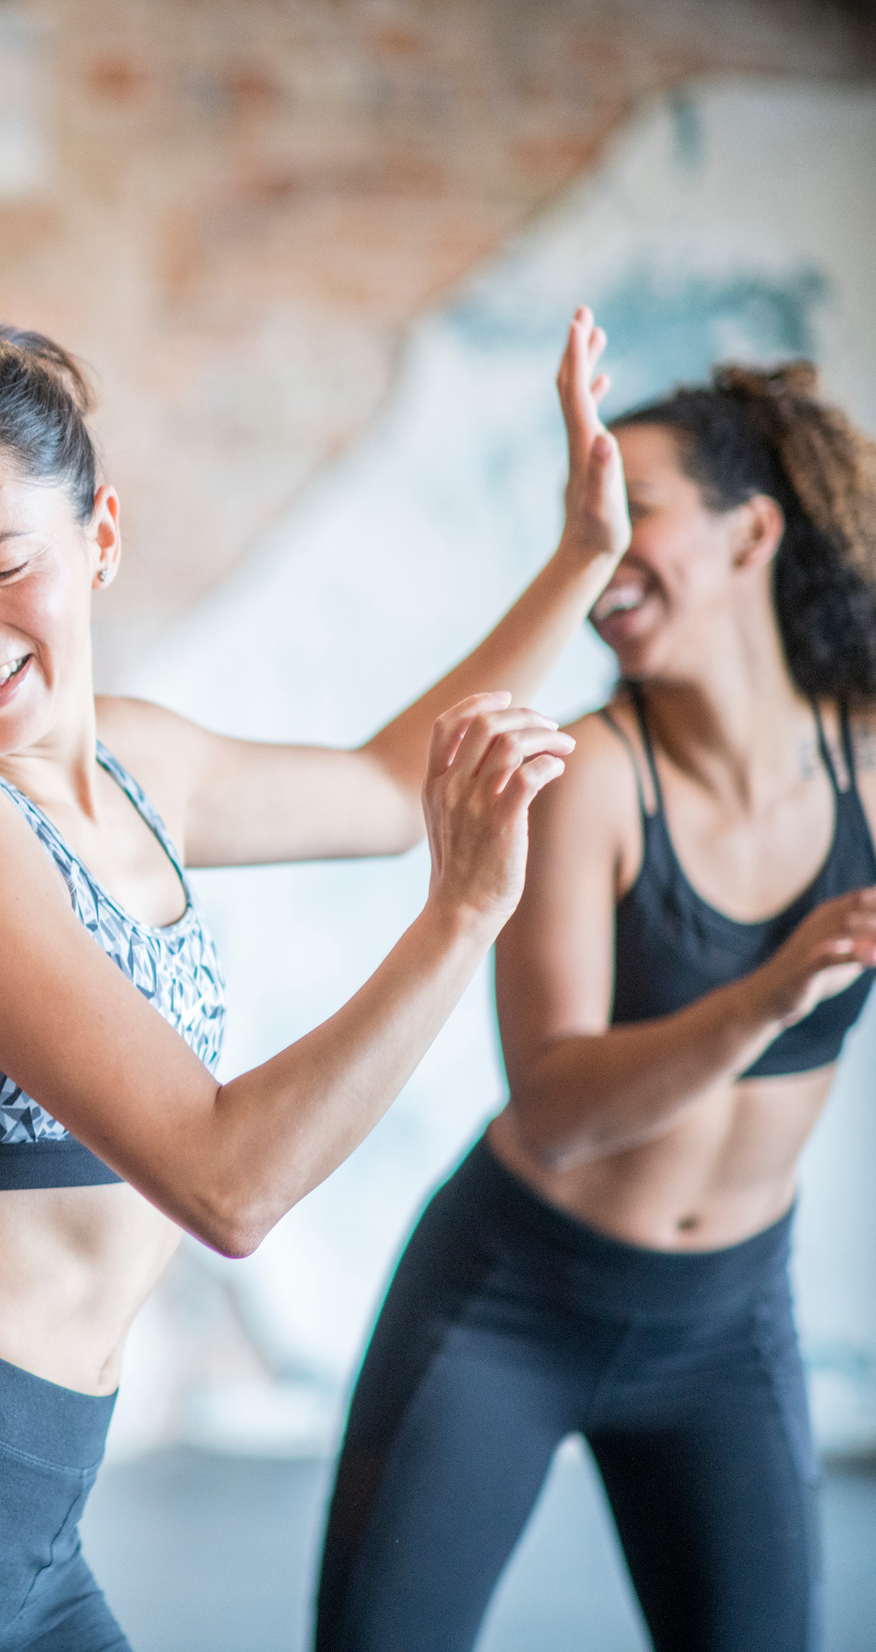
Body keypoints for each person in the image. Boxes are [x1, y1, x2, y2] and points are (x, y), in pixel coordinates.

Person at [0, 310, 632, 1651]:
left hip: (29, 1521)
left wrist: (582, 557)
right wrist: (459, 922)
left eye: (4, 567)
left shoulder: (138, 764)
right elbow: (224, 1183)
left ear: (99, 539)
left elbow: (379, 784)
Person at [314, 363, 876, 1652]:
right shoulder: (586, 780)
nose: (607, 545)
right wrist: (766, 992)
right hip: (513, 1301)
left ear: (751, 529)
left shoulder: (862, 763)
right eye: (585, 510)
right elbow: (557, 1106)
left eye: (638, 505)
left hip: (731, 1318)